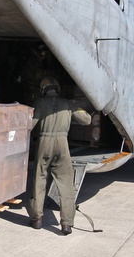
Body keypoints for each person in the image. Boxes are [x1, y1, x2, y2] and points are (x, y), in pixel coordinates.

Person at [28, 76, 90, 235]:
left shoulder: (40, 103)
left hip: (44, 142)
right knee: (66, 183)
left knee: (39, 179)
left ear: (43, 90)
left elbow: (30, 125)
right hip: (62, 143)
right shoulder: (68, 104)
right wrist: (74, 108)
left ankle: (37, 219)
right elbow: (87, 120)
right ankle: (66, 224)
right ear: (57, 88)